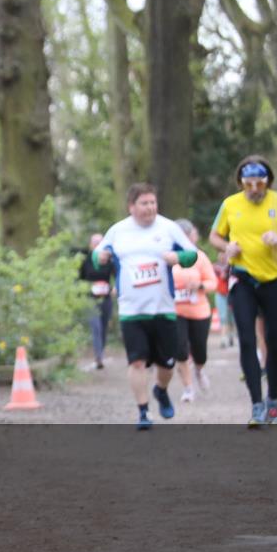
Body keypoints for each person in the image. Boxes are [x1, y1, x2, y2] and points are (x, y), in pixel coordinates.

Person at [209, 155, 277, 426]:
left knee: (274, 342)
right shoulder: (230, 204)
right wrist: (226, 247)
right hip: (242, 279)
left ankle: (273, 401)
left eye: (259, 184)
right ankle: (256, 405)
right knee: (246, 340)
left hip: (274, 280)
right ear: (241, 182)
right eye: (248, 184)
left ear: (268, 182)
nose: (254, 189)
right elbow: (214, 236)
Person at [93, 183, 198, 429]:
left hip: (163, 308)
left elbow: (192, 254)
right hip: (131, 310)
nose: (150, 207)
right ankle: (143, 411)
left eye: (153, 202)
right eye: (144, 203)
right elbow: (97, 257)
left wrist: (178, 257)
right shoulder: (118, 231)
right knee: (137, 362)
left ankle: (161, 390)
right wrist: (101, 258)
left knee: (167, 364)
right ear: (131, 207)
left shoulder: (168, 228)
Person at [172, 219, 217, 401]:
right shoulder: (168, 257)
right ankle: (188, 388)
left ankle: (199, 370)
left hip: (199, 311)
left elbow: (213, 283)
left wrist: (199, 285)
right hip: (175, 311)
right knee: (180, 350)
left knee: (200, 352)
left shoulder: (199, 257)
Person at [79, 233, 115, 370]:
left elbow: (117, 276)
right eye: (95, 243)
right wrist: (86, 289)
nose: (98, 245)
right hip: (90, 299)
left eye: (100, 243)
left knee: (103, 327)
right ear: (90, 245)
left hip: (105, 298)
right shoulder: (85, 260)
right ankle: (98, 357)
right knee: (96, 327)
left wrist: (114, 288)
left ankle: (101, 354)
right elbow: (79, 279)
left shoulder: (109, 260)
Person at [213, 253, 236, 348]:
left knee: (231, 318)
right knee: (223, 316)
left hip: (231, 294)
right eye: (220, 255)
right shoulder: (215, 267)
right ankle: (223, 338)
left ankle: (231, 335)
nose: (222, 257)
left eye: (224, 255)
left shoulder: (231, 267)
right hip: (220, 294)